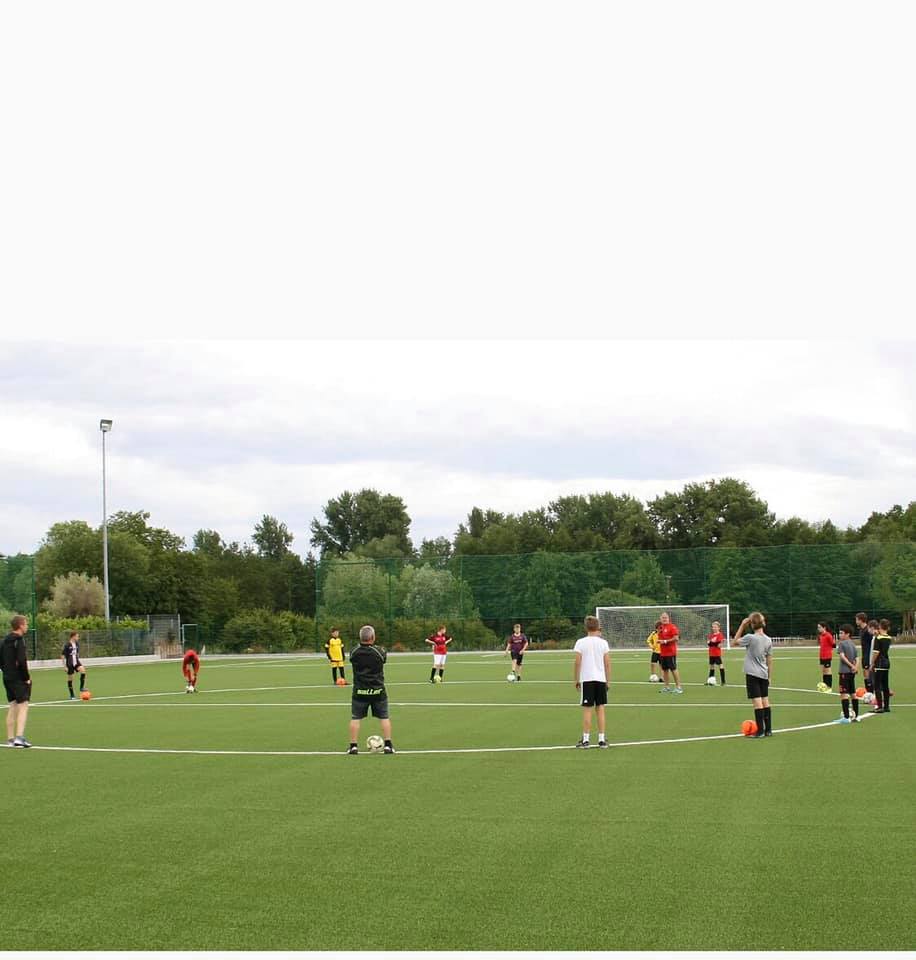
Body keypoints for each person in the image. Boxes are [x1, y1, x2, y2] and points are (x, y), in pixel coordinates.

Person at [347, 624, 394, 754]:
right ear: (373, 637)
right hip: (378, 690)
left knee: (355, 718)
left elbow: (352, 658)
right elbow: (383, 658)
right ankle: (388, 745)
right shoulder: (379, 651)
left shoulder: (354, 651)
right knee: (384, 717)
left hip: (360, 690)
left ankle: (353, 746)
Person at [733, 611, 773, 738]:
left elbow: (735, 642)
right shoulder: (768, 639)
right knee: (765, 700)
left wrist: (742, 626)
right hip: (763, 673)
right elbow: (769, 660)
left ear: (751, 625)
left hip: (752, 674)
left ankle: (760, 731)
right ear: (763, 623)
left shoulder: (750, 638)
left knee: (757, 702)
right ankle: (768, 730)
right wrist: (769, 676)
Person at [573, 615, 611, 748]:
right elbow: (607, 664)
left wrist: (576, 679)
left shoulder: (580, 642)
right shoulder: (603, 643)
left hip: (587, 679)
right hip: (600, 679)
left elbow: (577, 662)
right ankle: (601, 739)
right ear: (597, 626)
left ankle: (586, 740)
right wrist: (608, 680)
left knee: (587, 710)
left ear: (586, 627)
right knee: (600, 709)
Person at [2, 615, 32, 747]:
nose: (27, 626)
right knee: (23, 705)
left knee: (12, 705)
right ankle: (19, 737)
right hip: (18, 678)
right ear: (20, 625)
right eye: (25, 624)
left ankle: (10, 739)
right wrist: (26, 678)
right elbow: (22, 661)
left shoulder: (4, 641)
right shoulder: (19, 640)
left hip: (7, 677)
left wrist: (6, 670)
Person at [835, 624, 861, 723]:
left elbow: (842, 656)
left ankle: (846, 717)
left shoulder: (842, 644)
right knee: (853, 693)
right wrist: (855, 667)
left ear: (848, 634)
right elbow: (857, 658)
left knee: (844, 694)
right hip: (851, 673)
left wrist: (851, 666)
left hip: (844, 672)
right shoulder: (852, 644)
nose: (840, 635)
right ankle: (856, 716)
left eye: (841, 633)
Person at [869, 619, 893, 714]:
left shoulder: (878, 638)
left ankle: (879, 706)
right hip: (886, 662)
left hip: (879, 663)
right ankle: (886, 706)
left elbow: (876, 652)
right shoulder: (888, 637)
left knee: (877, 686)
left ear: (879, 626)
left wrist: (872, 663)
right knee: (885, 685)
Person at [656, 611, 683, 694]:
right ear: (660, 618)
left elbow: (676, 638)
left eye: (665, 617)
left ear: (668, 618)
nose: (664, 619)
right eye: (663, 617)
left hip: (670, 652)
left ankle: (679, 687)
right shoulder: (660, 628)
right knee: (665, 670)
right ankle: (666, 687)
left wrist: (664, 641)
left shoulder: (672, 627)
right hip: (663, 652)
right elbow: (660, 639)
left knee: (673, 669)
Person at [61, 630, 88, 700]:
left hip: (76, 662)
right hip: (69, 664)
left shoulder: (77, 644)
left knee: (83, 670)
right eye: (77, 636)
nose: (78, 638)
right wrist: (65, 666)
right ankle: (72, 695)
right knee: (70, 679)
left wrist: (78, 660)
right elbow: (62, 656)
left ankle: (81, 688)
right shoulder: (67, 645)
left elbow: (77, 653)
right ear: (73, 637)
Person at [855, 613, 874, 695]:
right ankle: (869, 693)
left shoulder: (868, 630)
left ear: (860, 620)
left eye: (856, 619)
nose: (856, 621)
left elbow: (873, 643)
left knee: (868, 674)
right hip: (864, 655)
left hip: (869, 656)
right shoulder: (862, 630)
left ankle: (871, 693)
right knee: (865, 674)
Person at [816, 621, 835, 691]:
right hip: (821, 656)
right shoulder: (820, 636)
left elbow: (833, 645)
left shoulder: (828, 635)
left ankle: (829, 687)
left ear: (824, 627)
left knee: (828, 671)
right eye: (818, 627)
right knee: (823, 671)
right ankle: (825, 685)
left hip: (827, 656)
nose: (818, 629)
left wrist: (829, 650)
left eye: (819, 627)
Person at [707, 620, 726, 685]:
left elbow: (719, 645)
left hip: (717, 653)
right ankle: (710, 681)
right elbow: (709, 644)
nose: (714, 628)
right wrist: (713, 643)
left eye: (715, 627)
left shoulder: (720, 635)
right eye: (713, 627)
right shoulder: (711, 635)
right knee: (711, 666)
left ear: (718, 628)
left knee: (720, 665)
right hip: (711, 653)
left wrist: (712, 643)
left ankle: (723, 681)